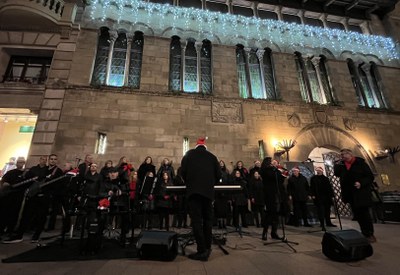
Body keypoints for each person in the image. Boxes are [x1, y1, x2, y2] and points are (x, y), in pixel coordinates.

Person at [181, 137, 221, 261]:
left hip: (194, 193)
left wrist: (190, 182)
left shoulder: (188, 155)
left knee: (197, 221)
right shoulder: (212, 157)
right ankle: (208, 248)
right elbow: (219, 175)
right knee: (208, 220)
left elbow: (183, 172)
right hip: (208, 194)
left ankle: (201, 250)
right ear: (205, 147)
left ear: (196, 146)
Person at [334, 148, 376, 243]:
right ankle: (364, 232)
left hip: (361, 193)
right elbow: (336, 174)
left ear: (350, 154)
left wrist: (361, 183)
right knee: (358, 215)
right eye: (341, 155)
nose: (342, 156)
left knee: (364, 214)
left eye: (344, 154)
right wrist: (336, 164)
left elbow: (370, 176)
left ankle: (369, 234)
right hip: (350, 194)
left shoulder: (360, 163)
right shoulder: (342, 165)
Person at [259, 158, 287, 240]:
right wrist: (277, 170)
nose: (273, 163)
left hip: (277, 195)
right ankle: (265, 232)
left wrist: (283, 175)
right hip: (269, 195)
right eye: (271, 162)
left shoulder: (275, 170)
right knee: (269, 214)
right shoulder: (266, 171)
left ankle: (274, 232)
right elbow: (271, 176)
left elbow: (280, 180)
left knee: (276, 214)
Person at [310, 166, 337, 231]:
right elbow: (312, 187)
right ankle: (322, 224)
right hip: (319, 197)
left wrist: (332, 195)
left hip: (327, 197)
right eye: (317, 170)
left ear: (322, 171)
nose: (318, 171)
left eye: (320, 170)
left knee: (327, 210)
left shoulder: (326, 178)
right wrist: (312, 194)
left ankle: (328, 222)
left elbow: (329, 187)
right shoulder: (314, 178)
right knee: (321, 211)